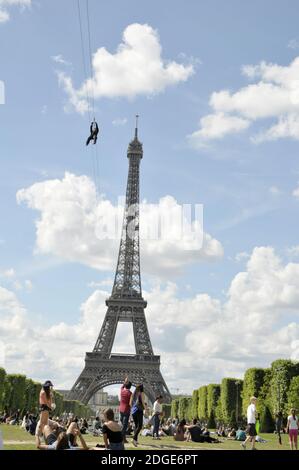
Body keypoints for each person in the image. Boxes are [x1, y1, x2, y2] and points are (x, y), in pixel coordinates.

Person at [119, 377, 132, 443]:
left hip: (121, 409)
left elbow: (122, 387)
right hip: (126, 410)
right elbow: (131, 403)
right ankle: (121, 438)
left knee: (124, 424)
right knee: (125, 425)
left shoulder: (122, 391)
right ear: (130, 387)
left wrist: (125, 381)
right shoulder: (130, 394)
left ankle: (123, 438)